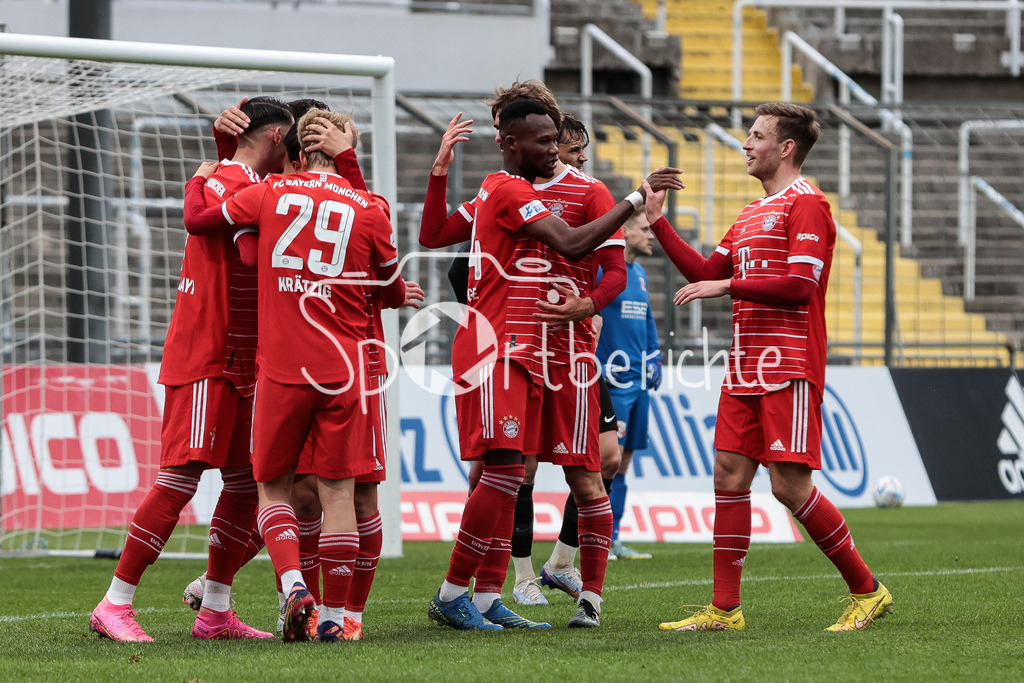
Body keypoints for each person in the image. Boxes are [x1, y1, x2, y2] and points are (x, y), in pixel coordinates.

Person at [422, 97, 682, 631]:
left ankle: (538, 595)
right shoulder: (504, 188)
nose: (569, 157)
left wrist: (588, 304)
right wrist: (440, 171)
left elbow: (611, 267)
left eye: (562, 145)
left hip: (565, 355)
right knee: (503, 473)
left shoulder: (586, 193)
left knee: (582, 472)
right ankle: (477, 590)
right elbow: (437, 237)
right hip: (505, 346)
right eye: (554, 144)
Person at [648, 102, 892, 632]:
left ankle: (868, 591)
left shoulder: (808, 205)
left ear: (785, 148)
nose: (746, 143)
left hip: (789, 365)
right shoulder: (750, 213)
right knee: (729, 475)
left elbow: (801, 289)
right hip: (746, 366)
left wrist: (728, 285)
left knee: (789, 487)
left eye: (756, 135)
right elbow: (705, 271)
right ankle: (724, 609)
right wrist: (658, 223)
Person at [183, 107, 409, 643]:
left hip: (283, 368)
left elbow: (202, 221)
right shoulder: (371, 207)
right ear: (345, 149)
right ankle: (336, 618)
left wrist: (207, 171)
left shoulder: (268, 196)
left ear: (298, 150)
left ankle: (292, 587)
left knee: (272, 488)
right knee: (339, 495)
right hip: (347, 370)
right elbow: (395, 293)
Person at [88, 97, 294, 643]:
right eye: (290, 142)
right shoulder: (227, 178)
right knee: (180, 477)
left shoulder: (239, 179)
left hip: (245, 358)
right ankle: (115, 602)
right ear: (277, 137)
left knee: (246, 481)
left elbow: (246, 252)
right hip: (208, 353)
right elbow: (209, 228)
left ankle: (216, 610)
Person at [595, 209, 663, 562]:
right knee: (607, 460)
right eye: (645, 228)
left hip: (639, 383)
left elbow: (647, 317)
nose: (651, 235)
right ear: (624, 231)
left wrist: (654, 355)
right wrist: (595, 361)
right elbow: (589, 314)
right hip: (614, 382)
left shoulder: (638, 274)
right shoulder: (602, 270)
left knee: (625, 462)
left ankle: (613, 538)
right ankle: (595, 539)